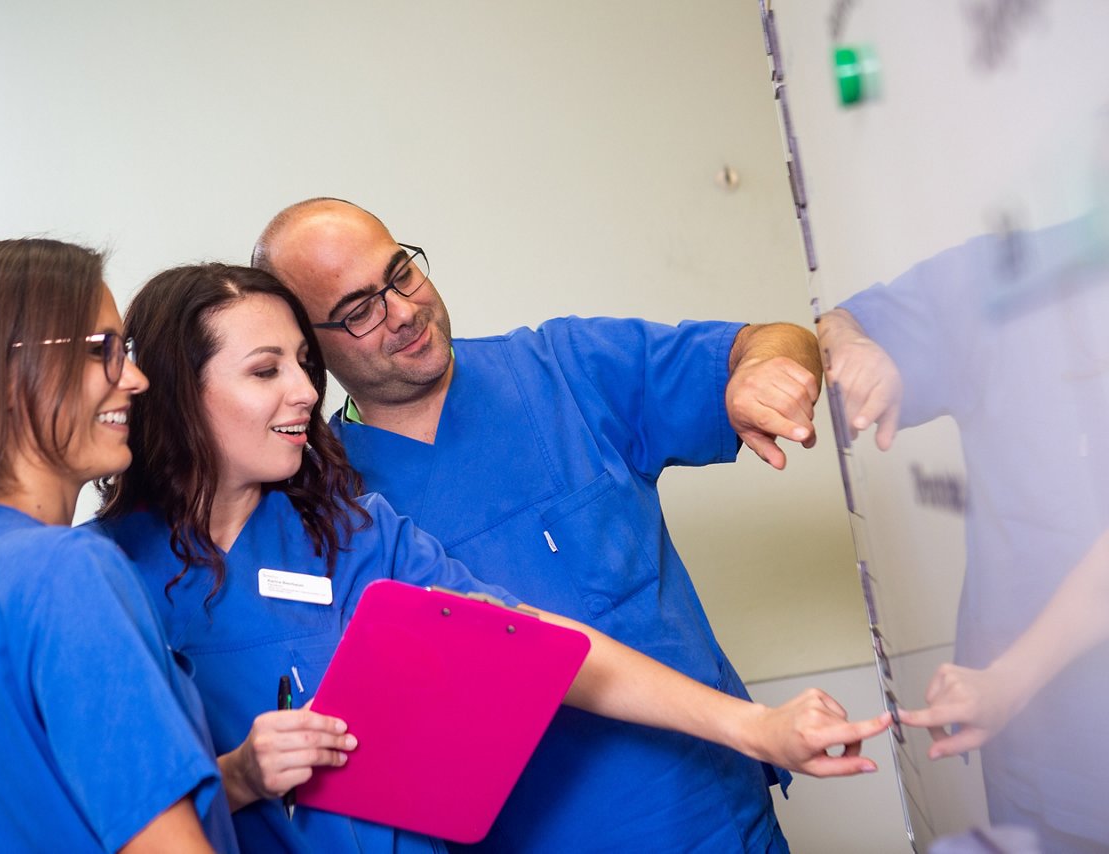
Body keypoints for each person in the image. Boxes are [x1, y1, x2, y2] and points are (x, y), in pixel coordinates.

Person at [95, 262, 886, 854]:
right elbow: (82, 808)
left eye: (302, 364)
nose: (303, 391)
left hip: (697, 815)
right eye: (266, 370)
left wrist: (756, 728)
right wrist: (235, 777)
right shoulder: (101, 576)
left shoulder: (353, 529)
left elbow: (535, 644)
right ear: (171, 390)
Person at [250, 198, 836, 851]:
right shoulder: (325, 508)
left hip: (710, 817)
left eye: (402, 272)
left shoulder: (566, 371)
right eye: (361, 310)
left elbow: (770, 339)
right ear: (308, 350)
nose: (405, 310)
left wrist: (762, 371)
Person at [0, 239, 239, 852]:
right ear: (5, 374)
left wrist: (242, 779)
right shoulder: (64, 571)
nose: (135, 377)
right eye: (102, 349)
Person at [817, 215, 1109, 851]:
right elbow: (838, 325)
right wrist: (859, 350)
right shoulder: (1013, 279)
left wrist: (1009, 680)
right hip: (1051, 764)